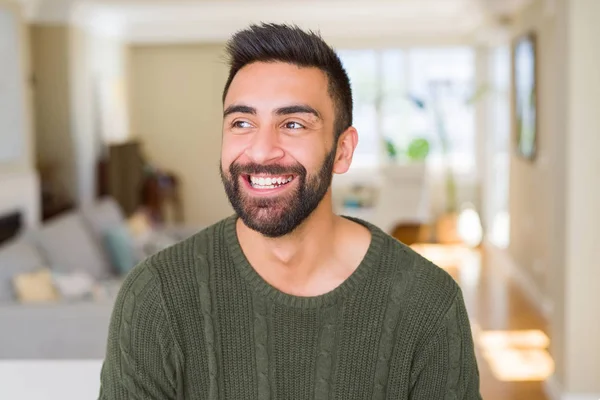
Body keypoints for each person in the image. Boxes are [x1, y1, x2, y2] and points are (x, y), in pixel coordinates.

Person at [99, 23, 481, 399]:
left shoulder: (429, 304)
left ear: (343, 150)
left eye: (294, 124)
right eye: (242, 122)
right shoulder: (156, 296)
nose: (262, 150)